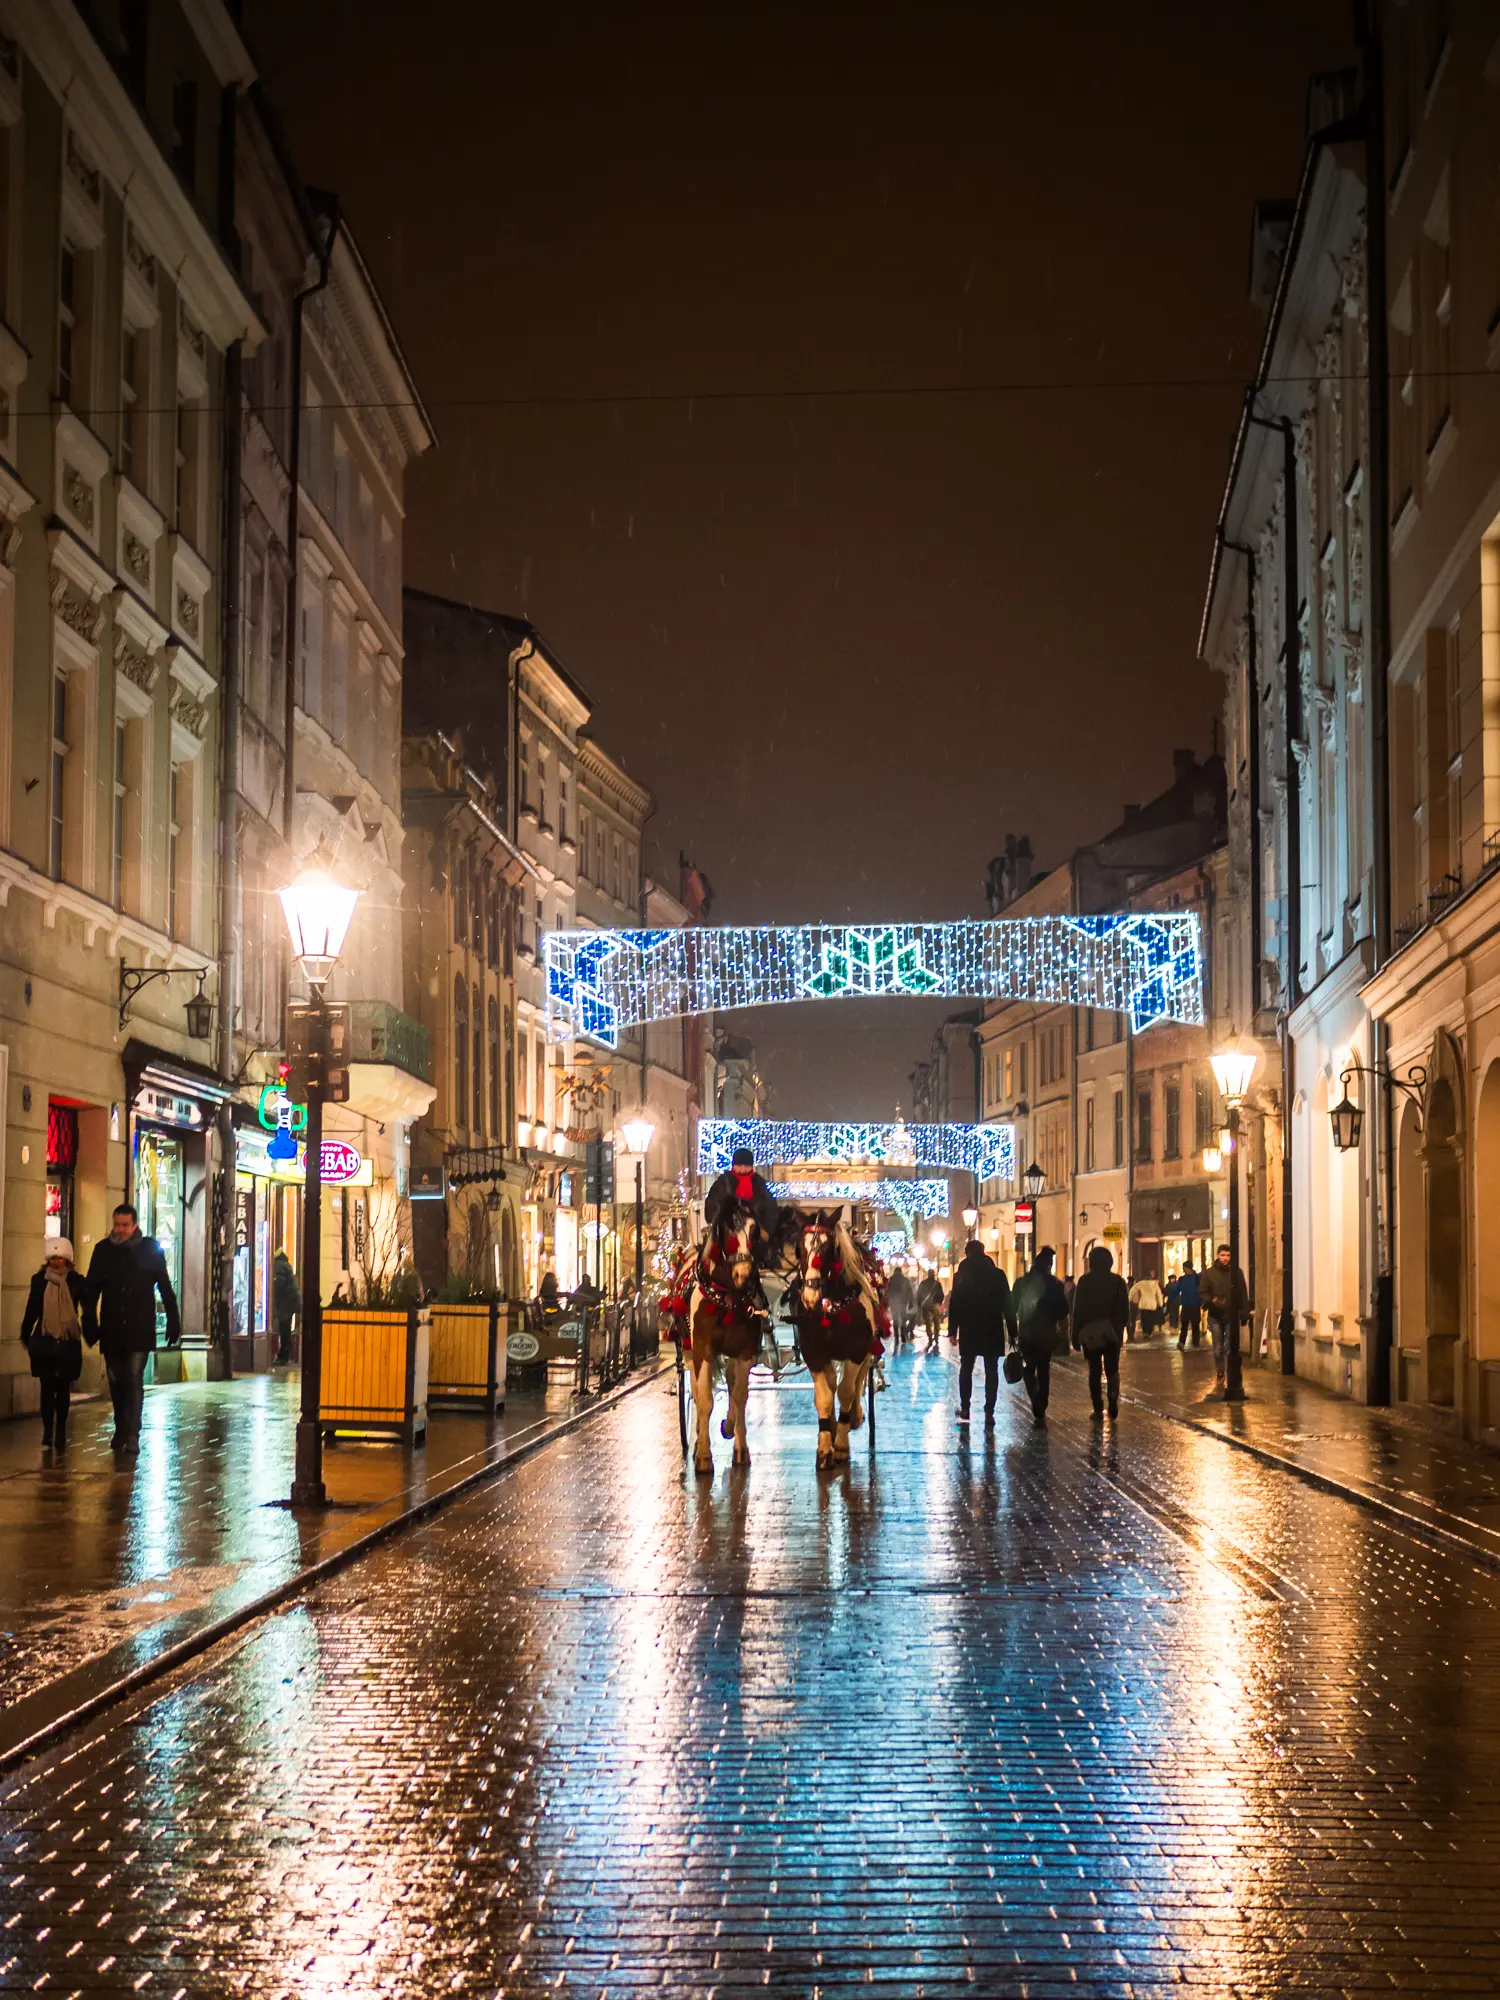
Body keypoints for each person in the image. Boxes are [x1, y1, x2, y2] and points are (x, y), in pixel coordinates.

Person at [83, 1203, 179, 1457]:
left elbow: (165, 1287)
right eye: (117, 1225)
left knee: (134, 1377)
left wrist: (173, 1319)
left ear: (135, 1224)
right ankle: (120, 1428)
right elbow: (91, 1289)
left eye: (125, 1225)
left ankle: (132, 1434)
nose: (121, 1230)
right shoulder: (103, 1251)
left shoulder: (149, 1249)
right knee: (116, 1379)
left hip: (139, 1325)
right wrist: (89, 1321)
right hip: (113, 1325)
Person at [20, 1238, 85, 1451]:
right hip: (45, 1338)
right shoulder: (39, 1280)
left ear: (68, 1259)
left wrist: (91, 1331)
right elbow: (32, 1307)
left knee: (63, 1388)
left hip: (67, 1340)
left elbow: (85, 1308)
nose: (57, 1262)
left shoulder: (76, 1281)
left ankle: (61, 1431)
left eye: (61, 1258)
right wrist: (25, 1332)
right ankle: (48, 1431)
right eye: (53, 1258)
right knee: (47, 1387)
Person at [947, 1239, 1017, 1428]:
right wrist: (1012, 1330)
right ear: (983, 1252)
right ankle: (989, 1411)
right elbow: (1008, 1304)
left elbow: (955, 1303)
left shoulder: (961, 1275)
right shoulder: (998, 1274)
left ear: (967, 1253)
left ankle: (966, 1408)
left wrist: (952, 1329)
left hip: (969, 1327)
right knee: (991, 1369)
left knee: (966, 1368)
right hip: (992, 1326)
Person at [1071, 1244, 1130, 1419]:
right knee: (1112, 1369)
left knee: (1094, 1371)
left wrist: (1074, 1335)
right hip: (1111, 1334)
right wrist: (1118, 1330)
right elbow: (1124, 1310)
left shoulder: (1085, 1281)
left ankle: (1097, 1408)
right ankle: (1113, 1399)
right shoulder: (1118, 1281)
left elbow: (1078, 1311)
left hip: (1090, 1334)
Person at [1011, 1246, 1068, 1426]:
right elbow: (1063, 1310)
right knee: (1044, 1368)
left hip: (1026, 1333)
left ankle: (1035, 1397)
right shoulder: (1056, 1284)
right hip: (1046, 1333)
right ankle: (1041, 1402)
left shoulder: (1021, 1283)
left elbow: (1011, 1307)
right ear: (1049, 1265)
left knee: (1028, 1368)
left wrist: (1012, 1332)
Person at [702, 1146, 781, 1242]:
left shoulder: (759, 1183)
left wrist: (767, 1230)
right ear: (733, 1165)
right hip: (728, 1229)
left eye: (746, 1165)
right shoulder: (724, 1182)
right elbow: (713, 1203)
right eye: (739, 1165)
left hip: (754, 1231)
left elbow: (770, 1207)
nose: (743, 1169)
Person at [1200, 1243, 1250, 1393]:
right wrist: (1211, 1300)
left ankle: (1230, 1374)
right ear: (1217, 1255)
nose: (1225, 1258)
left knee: (1229, 1347)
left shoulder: (1236, 1272)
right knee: (1217, 1348)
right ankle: (1220, 1371)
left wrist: (1244, 1313)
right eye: (1222, 1255)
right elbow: (1202, 1291)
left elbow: (1242, 1293)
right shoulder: (1209, 1273)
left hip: (1231, 1315)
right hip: (1215, 1315)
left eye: (1227, 1255)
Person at [272, 1249, 301, 1365]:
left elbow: (279, 1283)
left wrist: (274, 1296)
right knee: (286, 1329)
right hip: (290, 1302)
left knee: (284, 1330)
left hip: (285, 1303)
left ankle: (283, 1357)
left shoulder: (278, 1265)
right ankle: (285, 1356)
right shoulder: (285, 1263)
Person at [1128, 1270, 1164, 1340]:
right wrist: (1160, 1303)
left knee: (1144, 1319)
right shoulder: (1155, 1284)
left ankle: (1145, 1332)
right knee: (1151, 1319)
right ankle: (1149, 1332)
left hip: (1143, 1304)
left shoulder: (1140, 1283)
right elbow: (1159, 1295)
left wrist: (1129, 1299)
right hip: (1152, 1304)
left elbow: (1132, 1291)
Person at [886, 1263, 915, 1344]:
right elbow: (910, 1292)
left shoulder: (891, 1279)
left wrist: (888, 1302)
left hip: (894, 1302)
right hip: (903, 1302)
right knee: (903, 1319)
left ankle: (896, 1337)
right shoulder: (905, 1280)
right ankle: (903, 1334)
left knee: (895, 1319)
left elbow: (888, 1291)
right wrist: (911, 1302)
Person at [916, 1267, 945, 1347]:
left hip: (925, 1306)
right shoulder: (937, 1284)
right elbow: (941, 1295)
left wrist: (919, 1304)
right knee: (936, 1322)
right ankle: (936, 1337)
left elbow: (918, 1294)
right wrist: (939, 1302)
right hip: (935, 1305)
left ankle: (930, 1337)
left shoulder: (923, 1283)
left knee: (928, 1324)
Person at [1177, 1261, 1202, 1349]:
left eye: (1184, 1267)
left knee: (1195, 1325)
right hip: (1186, 1305)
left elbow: (1202, 1290)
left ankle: (1196, 1343)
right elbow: (1177, 1289)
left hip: (1195, 1305)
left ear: (1187, 1268)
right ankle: (1182, 1343)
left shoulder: (1198, 1278)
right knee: (1184, 1324)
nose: (1184, 1269)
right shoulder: (1182, 1279)